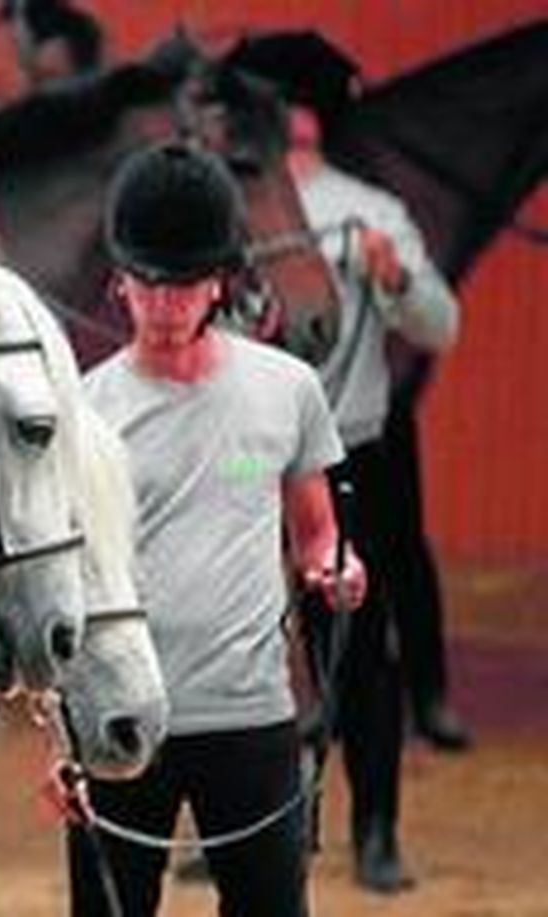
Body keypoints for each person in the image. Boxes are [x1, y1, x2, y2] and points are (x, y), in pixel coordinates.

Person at [58, 142, 365, 917]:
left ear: (220, 280)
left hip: (251, 714)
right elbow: (63, 583)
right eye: (148, 283)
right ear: (119, 280)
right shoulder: (83, 411)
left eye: (184, 284)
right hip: (121, 718)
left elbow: (315, 532)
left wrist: (335, 567)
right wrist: (57, 741)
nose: (164, 305)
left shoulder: (288, 391)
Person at [231, 31, 464, 893]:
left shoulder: (369, 212)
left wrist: (393, 276)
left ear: (297, 117)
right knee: (240, 644)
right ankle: (242, 821)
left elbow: (440, 325)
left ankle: (374, 828)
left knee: (358, 647)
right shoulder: (231, 205)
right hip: (245, 465)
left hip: (341, 456)